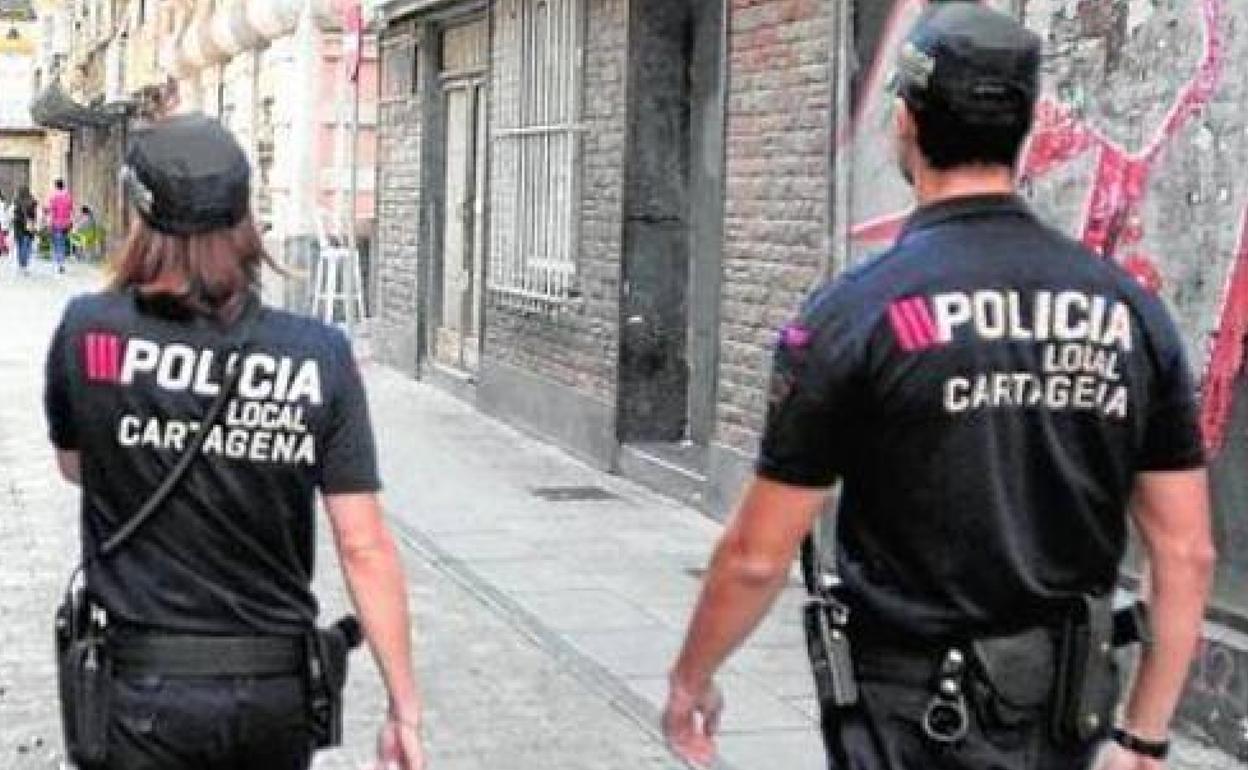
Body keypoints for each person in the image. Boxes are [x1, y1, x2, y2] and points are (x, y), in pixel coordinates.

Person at [662, 5, 1215, 770]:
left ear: (906, 123)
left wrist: (692, 679)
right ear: (1024, 129)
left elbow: (758, 554)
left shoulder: (853, 315)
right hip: (1063, 718)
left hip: (911, 721)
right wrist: (1142, 737)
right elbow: (1185, 552)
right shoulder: (1130, 314)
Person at [43, 114, 425, 770]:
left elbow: (77, 466)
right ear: (246, 217)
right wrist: (404, 707)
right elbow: (363, 545)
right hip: (274, 698)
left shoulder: (88, 333)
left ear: (141, 216)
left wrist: (151, 434)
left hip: (141, 697)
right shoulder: (318, 355)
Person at [48, 178, 74, 273]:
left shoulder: (53, 197)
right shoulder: (68, 197)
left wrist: (50, 223)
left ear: (56, 186)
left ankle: (59, 263)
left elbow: (52, 211)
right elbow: (71, 210)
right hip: (66, 224)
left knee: (57, 243)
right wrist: (70, 222)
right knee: (62, 243)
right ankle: (61, 263)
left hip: (56, 224)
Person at [13, 186, 37, 275]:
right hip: (28, 226)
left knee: (20, 246)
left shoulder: (16, 202)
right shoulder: (32, 201)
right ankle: (24, 265)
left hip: (18, 226)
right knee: (26, 246)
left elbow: (15, 216)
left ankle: (21, 265)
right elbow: (34, 215)